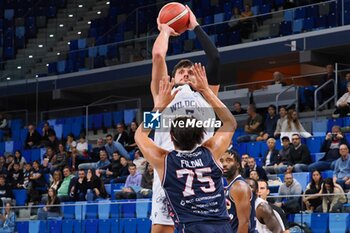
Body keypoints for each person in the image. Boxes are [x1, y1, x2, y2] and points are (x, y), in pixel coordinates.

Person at [135, 65, 236, 233]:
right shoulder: (210, 151)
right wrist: (206, 90)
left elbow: (140, 135)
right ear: (202, 137)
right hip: (222, 227)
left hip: (192, 227)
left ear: (172, 137)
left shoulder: (165, 160)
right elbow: (230, 122)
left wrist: (159, 106)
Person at [150, 4, 221, 233]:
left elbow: (216, 58)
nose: (187, 73)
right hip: (169, 169)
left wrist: (196, 26)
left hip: (201, 172)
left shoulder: (206, 94)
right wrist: (165, 30)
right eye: (181, 72)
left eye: (191, 71)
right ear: (173, 77)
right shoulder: (165, 92)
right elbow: (159, 55)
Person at [220, 150, 256, 233]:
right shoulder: (231, 186)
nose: (224, 164)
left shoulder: (239, 186)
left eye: (229, 160)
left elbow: (244, 223)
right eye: (221, 161)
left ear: (238, 165)